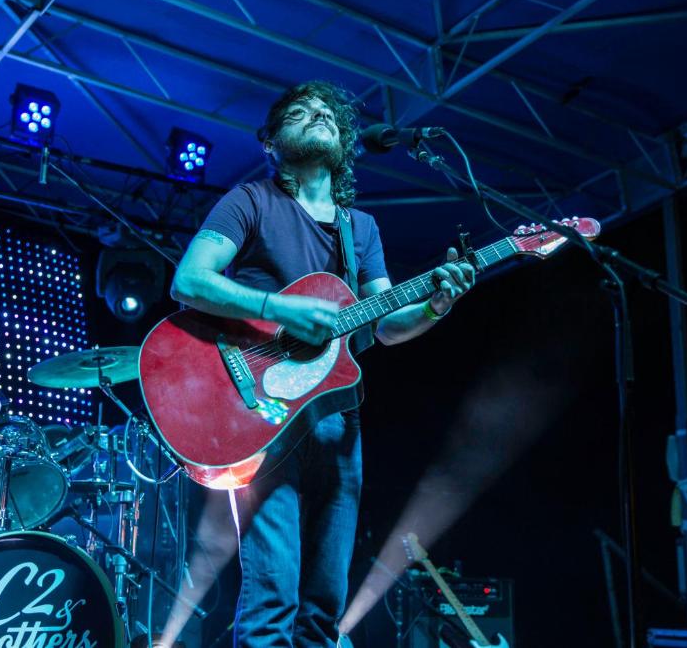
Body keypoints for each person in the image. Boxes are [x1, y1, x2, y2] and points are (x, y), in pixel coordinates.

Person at [169, 80, 475, 647]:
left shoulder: (360, 229)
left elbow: (386, 323)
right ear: (270, 141)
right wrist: (275, 307)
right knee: (271, 599)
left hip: (337, 419)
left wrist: (436, 304)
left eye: (329, 113)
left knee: (323, 610)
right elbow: (189, 280)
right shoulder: (251, 201)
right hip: (259, 414)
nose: (319, 116)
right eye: (301, 111)